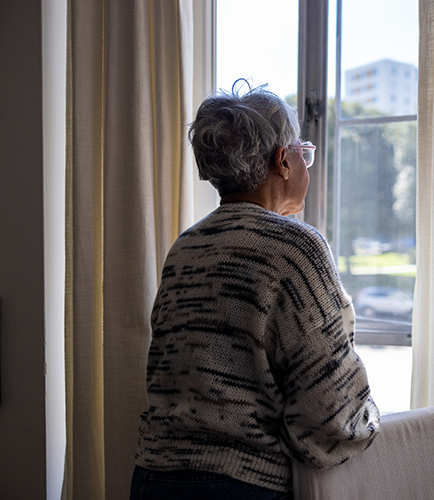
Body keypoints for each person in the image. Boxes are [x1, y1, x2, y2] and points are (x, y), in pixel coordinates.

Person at [130, 84, 380, 500]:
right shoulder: (296, 248)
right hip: (239, 486)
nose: (307, 165)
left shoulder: (185, 247)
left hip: (151, 478)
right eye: (304, 152)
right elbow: (331, 418)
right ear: (283, 160)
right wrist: (367, 418)